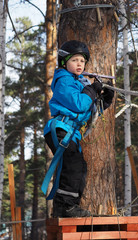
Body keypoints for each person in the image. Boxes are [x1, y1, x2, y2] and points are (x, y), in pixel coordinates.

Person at [42, 40, 114, 218]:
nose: (79, 64)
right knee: (73, 165)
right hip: (60, 129)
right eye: (74, 60)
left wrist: (104, 101)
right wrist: (91, 89)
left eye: (82, 61)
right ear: (64, 62)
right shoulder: (63, 80)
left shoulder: (79, 83)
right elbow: (78, 103)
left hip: (70, 132)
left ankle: (68, 206)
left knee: (79, 167)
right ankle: (65, 208)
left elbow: (89, 110)